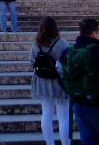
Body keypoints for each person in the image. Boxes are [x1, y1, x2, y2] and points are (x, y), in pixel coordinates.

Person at [29, 17, 70, 145]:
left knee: (46, 115)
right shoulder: (61, 42)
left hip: (42, 82)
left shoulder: (36, 43)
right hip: (59, 82)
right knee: (64, 117)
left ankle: (50, 143)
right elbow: (69, 61)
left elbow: (32, 62)